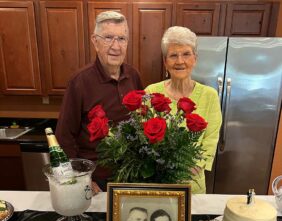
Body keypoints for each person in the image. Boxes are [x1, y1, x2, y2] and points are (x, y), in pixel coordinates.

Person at [55, 11, 143, 192]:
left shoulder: (133, 76)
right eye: (108, 38)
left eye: (121, 38)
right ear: (95, 41)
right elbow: (64, 137)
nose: (116, 46)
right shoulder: (79, 82)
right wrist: (81, 178)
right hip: (95, 180)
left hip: (130, 175)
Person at [145, 26, 222, 194]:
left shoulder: (210, 96)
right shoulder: (151, 93)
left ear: (195, 59)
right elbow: (143, 138)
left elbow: (211, 139)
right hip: (159, 181)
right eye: (173, 55)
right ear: (166, 62)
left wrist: (193, 167)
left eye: (186, 54)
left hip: (192, 184)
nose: (180, 61)